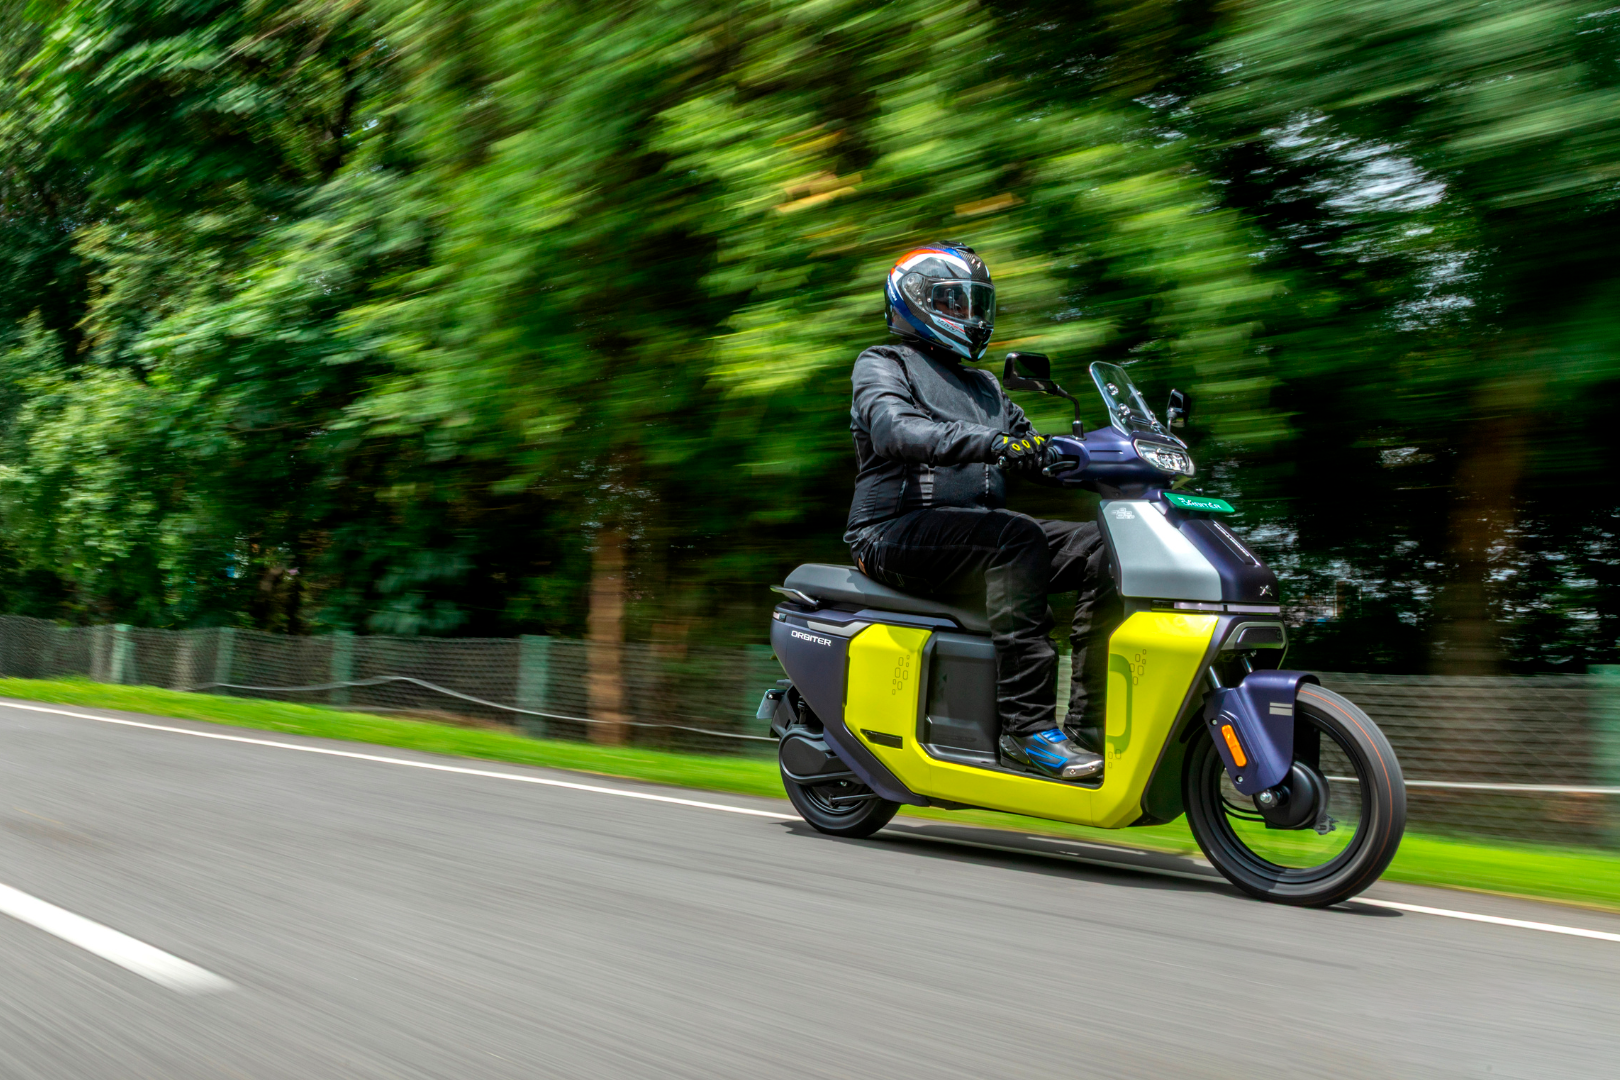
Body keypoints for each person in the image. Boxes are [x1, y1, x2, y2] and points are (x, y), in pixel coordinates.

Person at [843, 243, 1119, 780]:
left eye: (977, 304)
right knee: (1014, 537)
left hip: (975, 534)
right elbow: (896, 430)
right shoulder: (882, 363)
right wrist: (991, 442)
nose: (971, 315)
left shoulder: (986, 387)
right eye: (956, 302)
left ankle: (1088, 725)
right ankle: (1026, 729)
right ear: (915, 301)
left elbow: (1033, 448)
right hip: (890, 533)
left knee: (1106, 547)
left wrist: (1104, 460)